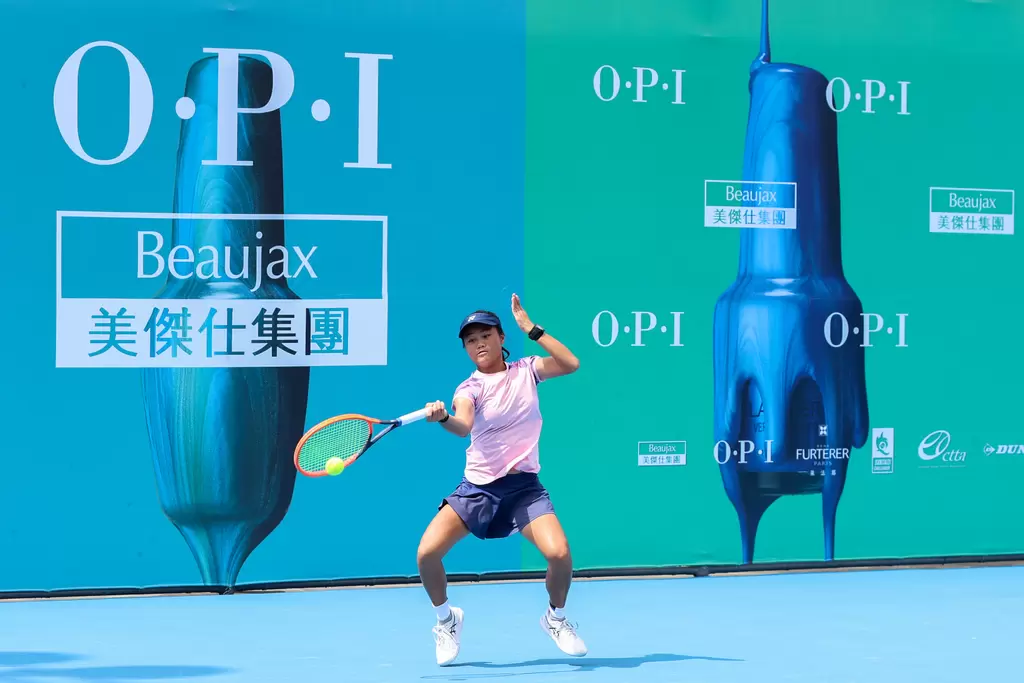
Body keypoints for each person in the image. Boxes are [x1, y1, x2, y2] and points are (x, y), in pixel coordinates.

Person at [416, 294, 587, 667]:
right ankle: (447, 621)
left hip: (524, 488)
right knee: (427, 554)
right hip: (477, 490)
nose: (478, 343)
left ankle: (555, 619)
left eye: (485, 335)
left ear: (501, 337)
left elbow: (570, 363)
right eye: (470, 339)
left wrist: (533, 329)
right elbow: (462, 425)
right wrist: (443, 417)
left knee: (559, 554)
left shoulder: (527, 369)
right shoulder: (469, 389)